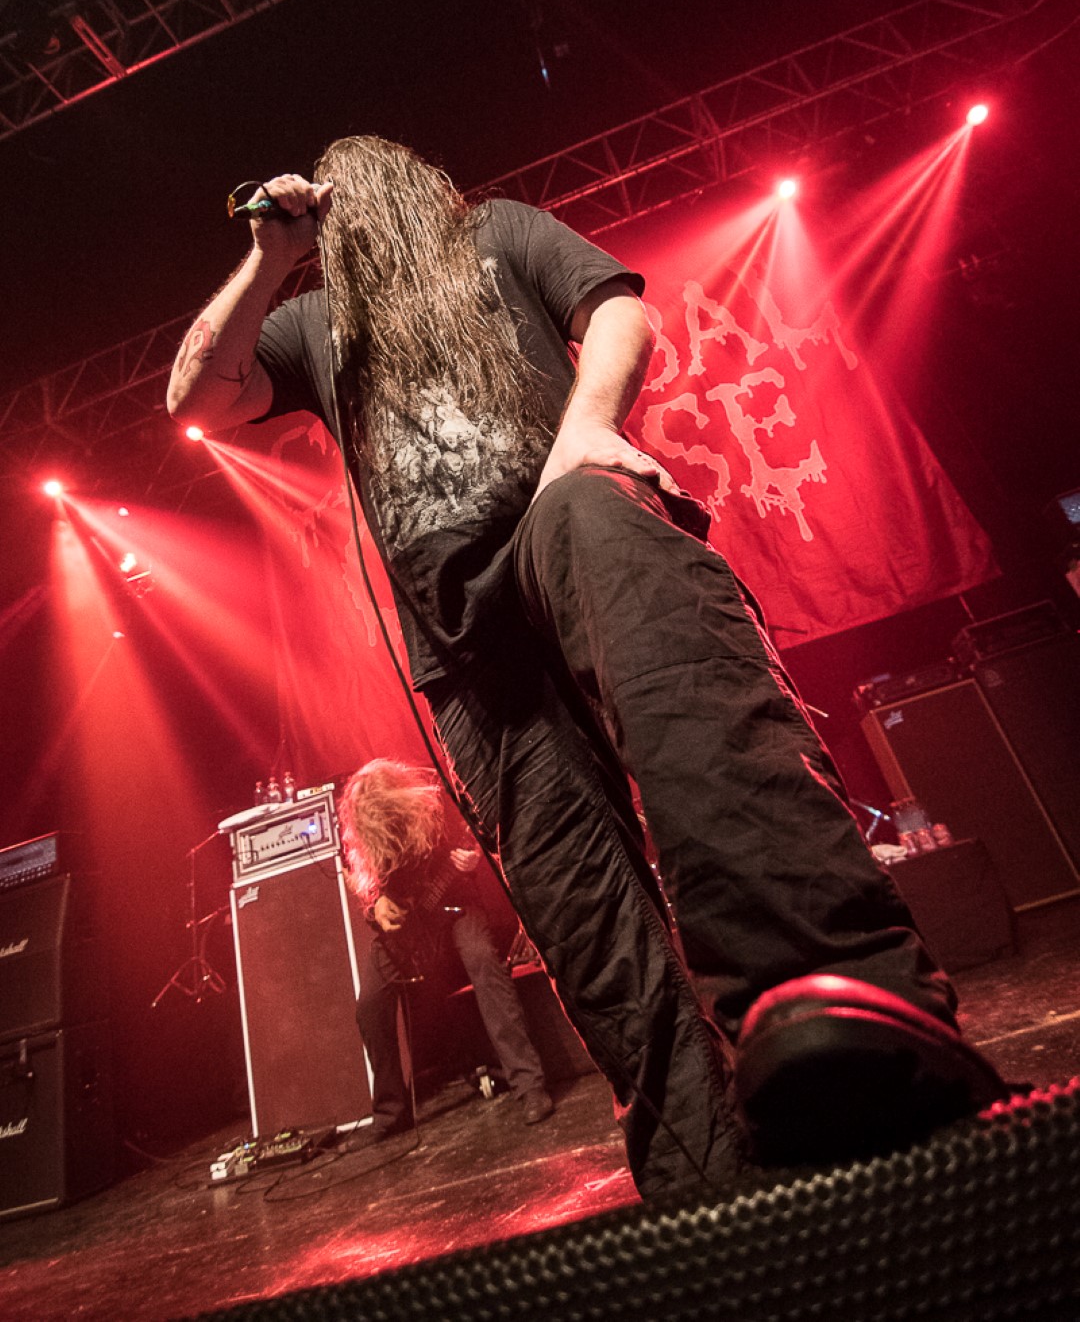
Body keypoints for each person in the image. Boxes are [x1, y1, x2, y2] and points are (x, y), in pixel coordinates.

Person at [167, 137, 1007, 1201]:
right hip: (466, 648)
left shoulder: (498, 231)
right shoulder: (320, 323)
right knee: (579, 903)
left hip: (572, 532)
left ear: (405, 187)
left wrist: (587, 431)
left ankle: (837, 1000)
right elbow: (197, 401)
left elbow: (620, 313)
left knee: (691, 711)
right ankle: (700, 1164)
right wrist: (270, 257)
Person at [338, 758, 553, 1137]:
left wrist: (474, 860)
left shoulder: (438, 807)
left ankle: (529, 1084)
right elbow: (366, 887)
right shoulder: (367, 835)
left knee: (482, 959)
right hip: (411, 926)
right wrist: (376, 907)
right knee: (369, 1003)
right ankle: (390, 1112)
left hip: (457, 908)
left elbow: (483, 843)